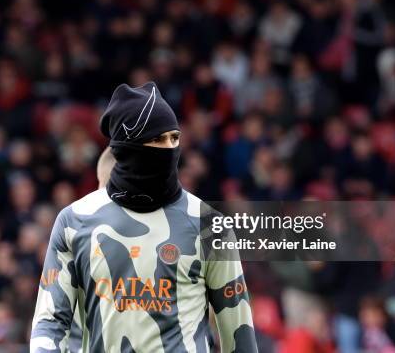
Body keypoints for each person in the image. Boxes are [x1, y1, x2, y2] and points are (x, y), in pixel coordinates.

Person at [31, 82, 257, 352]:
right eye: (158, 139)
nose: (169, 147)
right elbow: (49, 323)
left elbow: (239, 334)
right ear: (128, 148)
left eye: (174, 138)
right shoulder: (75, 221)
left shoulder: (209, 226)